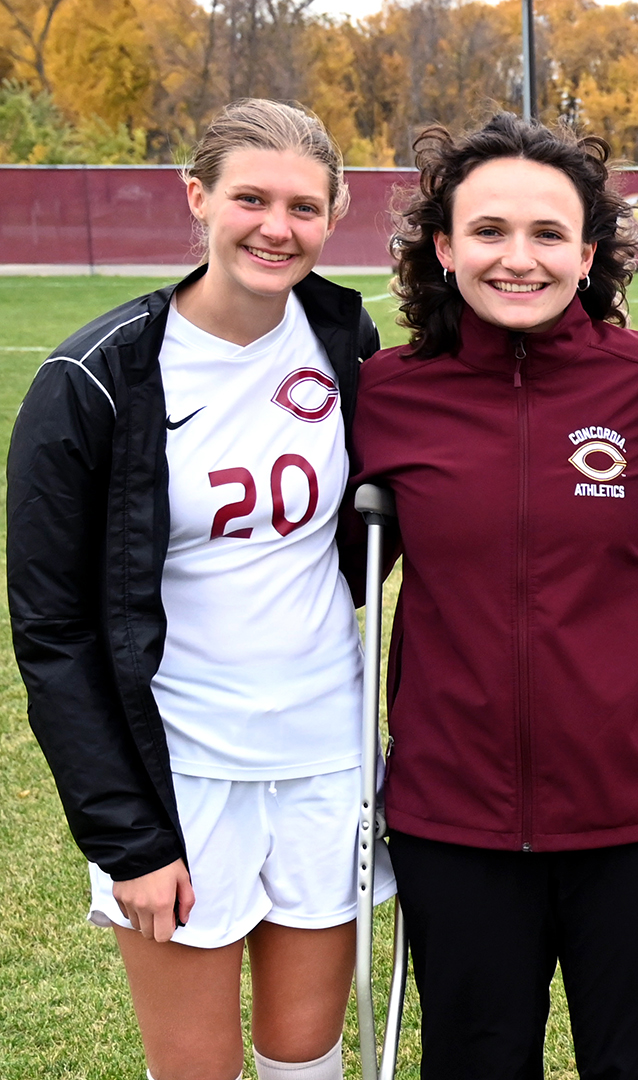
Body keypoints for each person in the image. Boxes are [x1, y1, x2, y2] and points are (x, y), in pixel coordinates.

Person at [7, 99, 381, 1080]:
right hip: (181, 775)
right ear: (197, 198)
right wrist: (128, 839)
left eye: (303, 206)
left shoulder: (348, 345)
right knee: (196, 1070)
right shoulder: (94, 377)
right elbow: (51, 633)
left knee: (307, 1054)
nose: (275, 226)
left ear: (333, 216)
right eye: (250, 198)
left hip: (323, 761)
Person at [351, 113, 638, 1078]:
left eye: (549, 234)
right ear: (444, 248)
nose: (520, 258)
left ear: (588, 254)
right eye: (490, 232)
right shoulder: (385, 392)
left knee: (636, 1057)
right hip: (450, 810)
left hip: (633, 805)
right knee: (476, 1059)